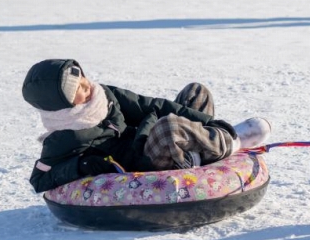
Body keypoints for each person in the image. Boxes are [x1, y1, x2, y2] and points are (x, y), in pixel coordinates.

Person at [22, 58, 271, 193]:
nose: (88, 87)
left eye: (82, 78)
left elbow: (151, 105)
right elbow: (39, 179)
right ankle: (232, 142)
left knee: (196, 93)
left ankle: (209, 143)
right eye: (77, 91)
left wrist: (213, 123)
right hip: (144, 162)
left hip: (147, 139)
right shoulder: (63, 136)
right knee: (169, 127)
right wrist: (82, 164)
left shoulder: (103, 95)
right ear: (61, 106)